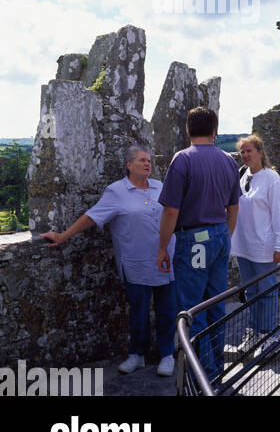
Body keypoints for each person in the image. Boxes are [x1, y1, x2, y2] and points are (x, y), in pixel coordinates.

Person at [41, 145, 179, 377]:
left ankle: (167, 354)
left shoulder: (160, 187)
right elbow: (92, 217)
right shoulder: (117, 191)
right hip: (136, 262)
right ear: (128, 165)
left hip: (165, 260)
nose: (148, 164)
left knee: (167, 310)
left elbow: (175, 214)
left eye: (149, 161)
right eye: (142, 160)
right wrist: (63, 236)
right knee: (139, 313)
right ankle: (137, 354)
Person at [157, 106, 240, 383]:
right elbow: (233, 206)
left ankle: (201, 376)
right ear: (214, 130)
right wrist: (225, 236)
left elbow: (170, 211)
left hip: (194, 240)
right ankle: (217, 369)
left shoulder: (182, 160)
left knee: (192, 308)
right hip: (219, 235)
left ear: (188, 129)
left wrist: (162, 248)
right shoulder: (228, 160)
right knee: (217, 303)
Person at [230, 134, 280, 343]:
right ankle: (254, 332)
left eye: (249, 151)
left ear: (260, 153)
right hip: (243, 245)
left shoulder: (271, 178)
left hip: (264, 246)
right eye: (242, 152)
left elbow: (279, 213)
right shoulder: (242, 174)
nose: (245, 155)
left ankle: (267, 334)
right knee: (251, 292)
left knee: (267, 291)